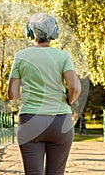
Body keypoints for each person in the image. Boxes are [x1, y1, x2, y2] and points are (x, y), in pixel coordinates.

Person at [7, 13, 82, 175]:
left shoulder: (21, 56)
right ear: (54, 33)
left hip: (30, 121)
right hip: (60, 122)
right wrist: (69, 101)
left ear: (30, 32)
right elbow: (75, 88)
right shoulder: (63, 56)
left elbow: (12, 94)